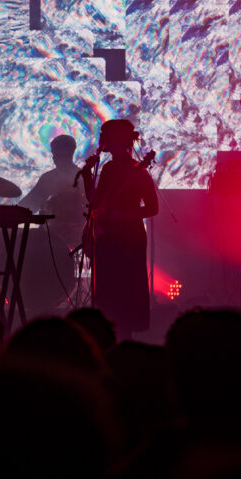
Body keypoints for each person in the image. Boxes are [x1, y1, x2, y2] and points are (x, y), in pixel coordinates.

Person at [81, 119, 158, 339]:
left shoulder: (138, 171)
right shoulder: (108, 168)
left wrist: (123, 215)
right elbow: (96, 203)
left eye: (105, 137)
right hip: (108, 236)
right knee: (107, 290)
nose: (102, 141)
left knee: (126, 289)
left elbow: (153, 208)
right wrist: (87, 177)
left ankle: (124, 338)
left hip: (129, 237)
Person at [21, 134, 84, 243]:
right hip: (81, 236)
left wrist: (9, 211)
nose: (53, 157)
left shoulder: (50, 178)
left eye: (55, 153)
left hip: (54, 235)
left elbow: (31, 205)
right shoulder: (84, 176)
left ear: (64, 153)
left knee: (26, 240)